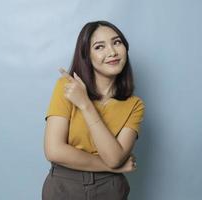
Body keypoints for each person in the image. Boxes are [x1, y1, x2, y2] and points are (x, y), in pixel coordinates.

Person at [42, 20, 145, 200]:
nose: (112, 52)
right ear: (86, 55)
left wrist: (86, 105)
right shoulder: (67, 87)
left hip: (110, 188)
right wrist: (113, 167)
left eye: (117, 42)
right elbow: (54, 150)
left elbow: (114, 158)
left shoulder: (134, 105)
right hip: (63, 186)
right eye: (99, 47)